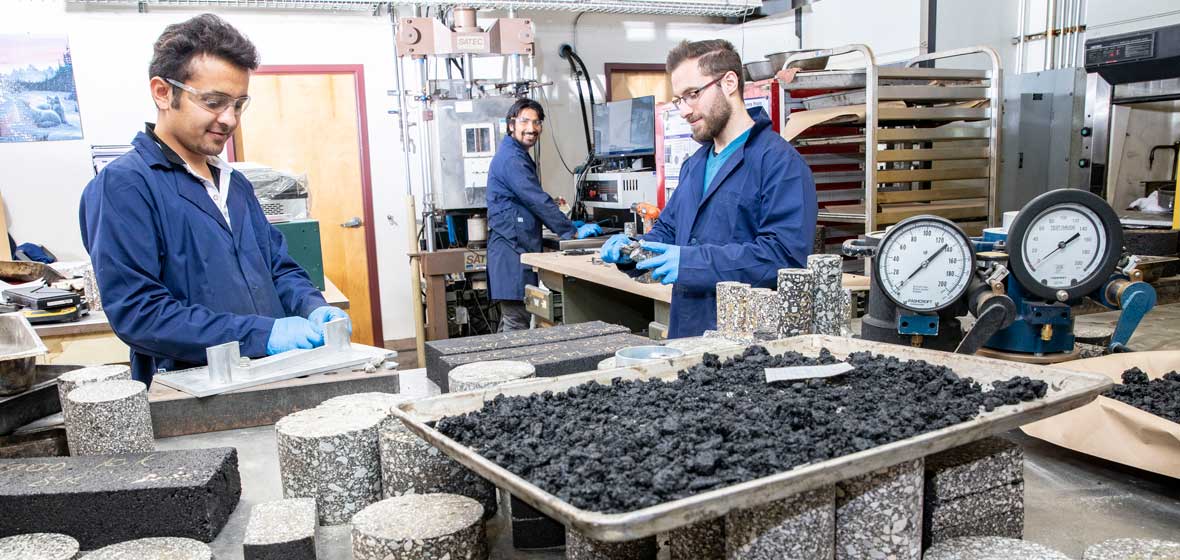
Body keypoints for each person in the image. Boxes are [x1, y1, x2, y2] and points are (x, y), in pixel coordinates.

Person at [79, 14, 349, 385]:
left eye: (238, 104)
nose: (230, 119)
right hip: (192, 395)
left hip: (271, 378)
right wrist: (261, 335)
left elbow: (279, 268)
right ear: (162, 92)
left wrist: (313, 306)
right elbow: (139, 314)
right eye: (213, 102)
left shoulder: (235, 185)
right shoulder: (125, 186)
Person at [600, 39, 817, 338]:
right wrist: (634, 251)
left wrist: (690, 262)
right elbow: (667, 231)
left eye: (692, 94)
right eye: (679, 99)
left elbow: (784, 258)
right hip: (687, 332)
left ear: (729, 82)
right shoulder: (695, 165)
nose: (684, 110)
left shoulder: (780, 164)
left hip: (744, 342)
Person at [486, 98, 603, 332]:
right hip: (512, 250)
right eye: (525, 121)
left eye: (537, 122)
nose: (532, 128)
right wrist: (572, 231)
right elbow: (534, 199)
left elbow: (530, 196)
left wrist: (566, 220)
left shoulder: (516, 154)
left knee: (511, 322)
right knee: (515, 322)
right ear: (511, 125)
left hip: (515, 246)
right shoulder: (512, 158)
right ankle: (512, 368)